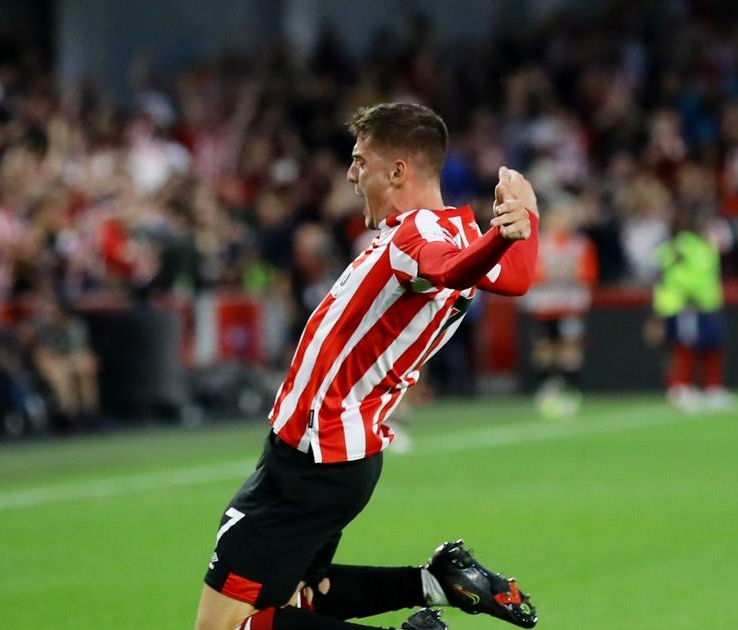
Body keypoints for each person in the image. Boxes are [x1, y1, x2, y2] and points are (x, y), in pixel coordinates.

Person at [194, 103, 540, 630]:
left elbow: (446, 270)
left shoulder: (416, 236)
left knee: (224, 629)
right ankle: (436, 583)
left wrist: (505, 232)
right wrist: (525, 220)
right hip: (341, 455)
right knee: (300, 598)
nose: (351, 176)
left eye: (360, 162)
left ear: (397, 171)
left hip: (312, 457)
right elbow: (514, 278)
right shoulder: (457, 233)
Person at [522, 199, 598, 420]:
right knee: (544, 349)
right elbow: (530, 272)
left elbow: (589, 273)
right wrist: (552, 275)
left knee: (570, 349)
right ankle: (546, 388)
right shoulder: (538, 242)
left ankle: (571, 389)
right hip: (544, 305)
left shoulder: (580, 244)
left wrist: (571, 275)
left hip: (570, 305)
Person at [650, 212, 729, 412]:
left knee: (709, 346)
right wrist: (687, 295)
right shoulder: (680, 246)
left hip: (706, 303)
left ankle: (708, 387)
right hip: (685, 304)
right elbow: (672, 275)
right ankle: (680, 387)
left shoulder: (705, 245)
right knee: (684, 347)